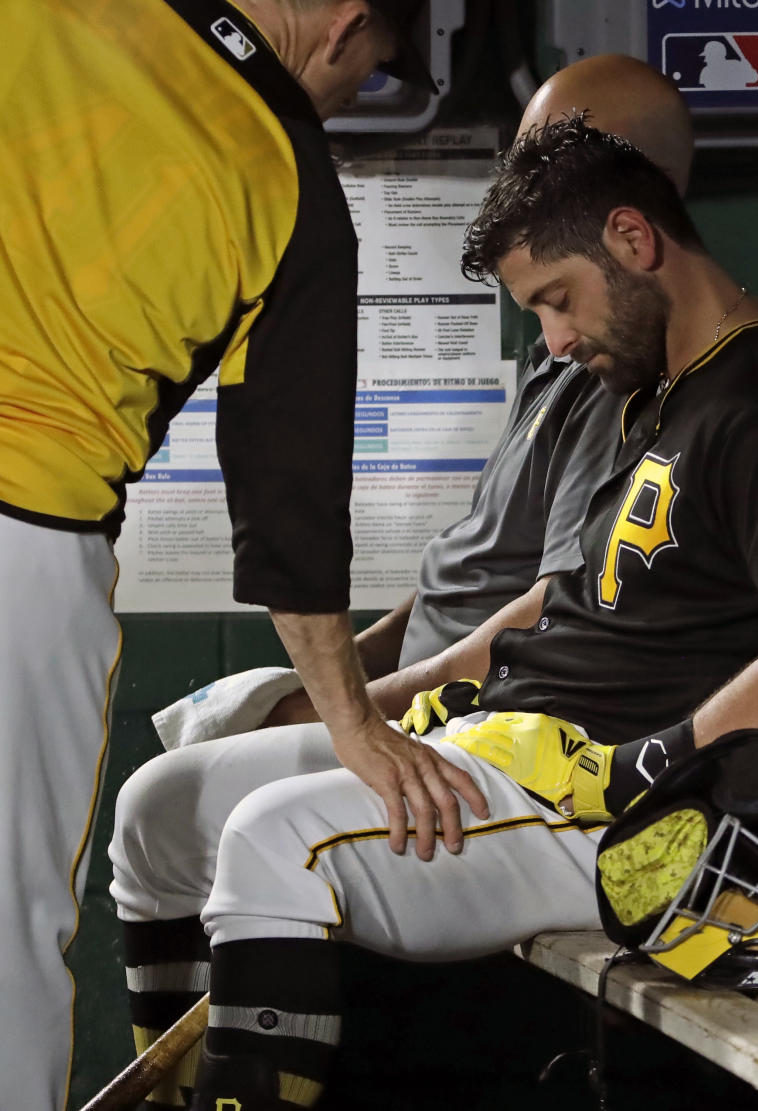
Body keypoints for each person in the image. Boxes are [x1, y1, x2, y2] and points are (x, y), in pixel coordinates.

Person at [110, 115, 758, 1109]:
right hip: (516, 743)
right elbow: (576, 590)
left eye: (557, 302)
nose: (555, 339)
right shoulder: (658, 392)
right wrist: (425, 691)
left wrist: (640, 765)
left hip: (626, 812)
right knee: (158, 810)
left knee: (279, 839)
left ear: (633, 237)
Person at [0, 1, 441, 1106]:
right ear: (343, 25)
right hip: (23, 532)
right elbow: (288, 500)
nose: (349, 98)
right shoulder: (286, 172)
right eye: (372, 71)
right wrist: (351, 720)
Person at [260, 52, 695, 727]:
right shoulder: (559, 355)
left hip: (468, 720)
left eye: (551, 169)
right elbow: (468, 569)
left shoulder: (617, 372)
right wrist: (343, 677)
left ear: (636, 208)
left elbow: (554, 611)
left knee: (165, 796)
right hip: (411, 688)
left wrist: (356, 716)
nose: (525, 190)